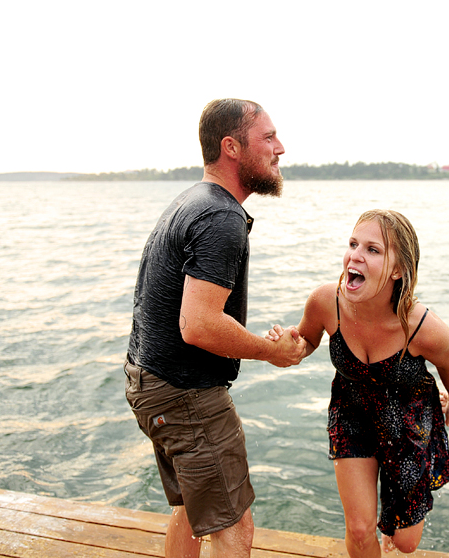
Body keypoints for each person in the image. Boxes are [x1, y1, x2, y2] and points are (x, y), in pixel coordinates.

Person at [125, 98, 307, 558]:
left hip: (149, 383)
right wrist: (272, 352)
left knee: (191, 510)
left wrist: (249, 342)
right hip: (184, 394)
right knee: (233, 524)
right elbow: (199, 325)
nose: (279, 148)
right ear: (231, 147)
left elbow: (191, 317)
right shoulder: (221, 216)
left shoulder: (190, 201)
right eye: (267, 137)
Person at [268, 209, 449, 557]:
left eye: (373, 249)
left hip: (408, 426)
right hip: (351, 414)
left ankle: (396, 533)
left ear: (398, 269)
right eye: (354, 244)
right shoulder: (327, 302)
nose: (355, 255)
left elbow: (447, 366)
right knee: (359, 529)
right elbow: (306, 340)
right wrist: (291, 345)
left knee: (405, 543)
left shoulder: (424, 328)